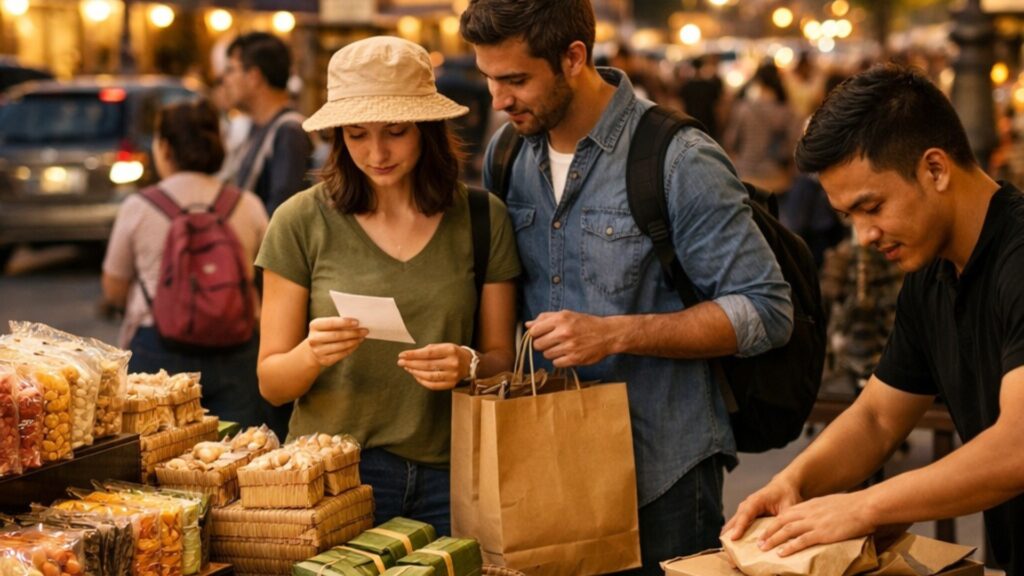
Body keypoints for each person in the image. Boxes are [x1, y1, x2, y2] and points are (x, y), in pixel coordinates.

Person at [459, 2, 794, 572]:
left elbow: (766, 311)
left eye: (515, 79)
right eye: (489, 79)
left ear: (573, 58)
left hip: (661, 472)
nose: (498, 100)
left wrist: (615, 333)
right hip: (547, 464)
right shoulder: (508, 152)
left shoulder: (678, 159)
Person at [723, 63, 1024, 576]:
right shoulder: (929, 275)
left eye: (872, 206)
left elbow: (1017, 445)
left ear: (935, 168)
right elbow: (877, 418)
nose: (863, 236)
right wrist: (793, 482)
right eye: (849, 217)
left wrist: (861, 506)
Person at [254, 36, 521, 536]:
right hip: (334, 479)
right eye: (356, 135)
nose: (376, 153)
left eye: (396, 132)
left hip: (457, 474)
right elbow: (271, 381)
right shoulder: (299, 221)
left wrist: (469, 364)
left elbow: (503, 359)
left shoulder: (483, 219)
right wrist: (312, 352)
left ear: (427, 128)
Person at [101, 99, 268, 428]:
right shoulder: (248, 205)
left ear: (163, 147)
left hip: (157, 349)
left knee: (155, 461)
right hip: (237, 348)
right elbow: (267, 278)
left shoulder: (138, 207)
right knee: (239, 458)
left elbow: (114, 288)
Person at [220, 32, 312, 216]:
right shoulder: (256, 126)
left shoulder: (289, 132)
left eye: (231, 70)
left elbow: (283, 214)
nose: (225, 80)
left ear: (254, 76)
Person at [722, 61, 799, 193]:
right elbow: (793, 146)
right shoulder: (787, 111)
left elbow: (730, 142)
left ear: (758, 81)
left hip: (746, 175)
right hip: (776, 176)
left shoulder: (743, 108)